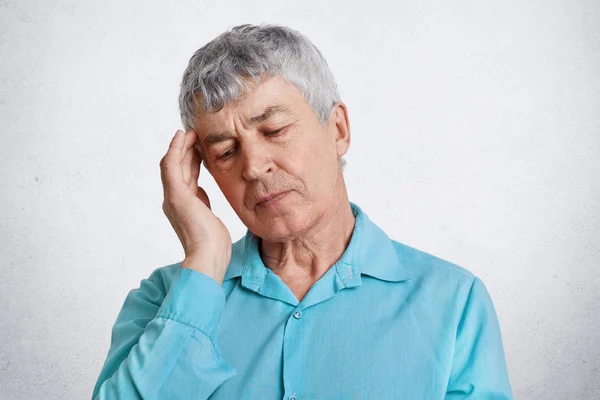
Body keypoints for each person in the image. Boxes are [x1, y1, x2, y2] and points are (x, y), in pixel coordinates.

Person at [92, 23, 514, 399]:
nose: (254, 166)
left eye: (274, 130)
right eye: (225, 151)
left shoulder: (454, 302)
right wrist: (203, 261)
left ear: (338, 130)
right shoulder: (163, 301)